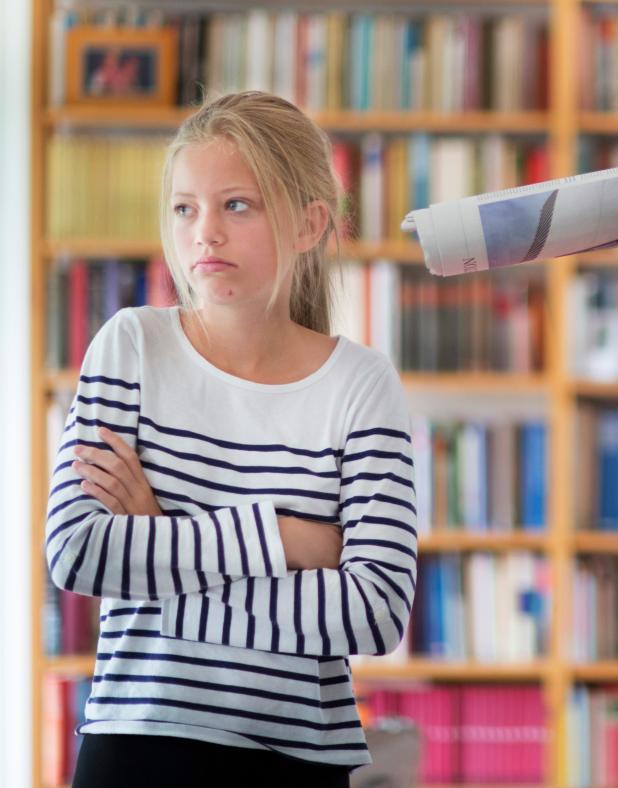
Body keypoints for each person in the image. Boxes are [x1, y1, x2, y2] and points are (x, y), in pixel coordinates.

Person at [45, 91, 418, 788]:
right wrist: (280, 539)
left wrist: (158, 536)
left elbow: (374, 613)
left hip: (297, 761)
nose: (203, 234)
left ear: (309, 224)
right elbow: (77, 551)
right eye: (185, 208)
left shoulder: (361, 385)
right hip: (135, 747)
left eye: (235, 205)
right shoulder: (131, 346)